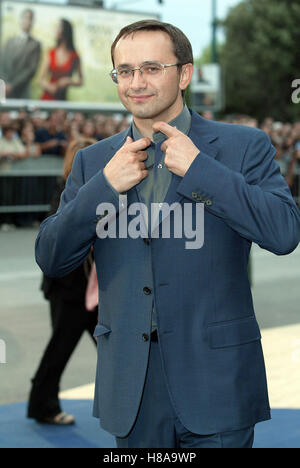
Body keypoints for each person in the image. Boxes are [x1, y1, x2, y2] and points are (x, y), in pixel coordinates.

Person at [35, 20, 300, 448]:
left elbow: (284, 233)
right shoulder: (93, 162)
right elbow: (52, 255)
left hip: (216, 379)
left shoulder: (243, 146)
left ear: (185, 74)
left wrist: (201, 170)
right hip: (132, 385)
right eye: (125, 71)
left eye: (152, 68)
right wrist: (104, 186)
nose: (136, 83)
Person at [27, 138, 98, 425]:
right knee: (59, 349)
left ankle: (42, 404)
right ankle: (43, 405)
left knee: (114, 349)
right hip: (70, 289)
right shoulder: (69, 193)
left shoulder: (82, 191)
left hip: (89, 288)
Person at [0, 9, 41, 99]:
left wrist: (12, 86)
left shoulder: (35, 44)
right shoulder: (9, 41)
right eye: (26, 18)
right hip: (3, 90)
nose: (28, 22)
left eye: (31, 19)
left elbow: (31, 70)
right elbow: (2, 64)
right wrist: (4, 85)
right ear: (21, 19)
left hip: (21, 92)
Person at [39, 19, 83, 101]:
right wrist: (50, 87)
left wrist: (68, 81)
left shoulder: (75, 56)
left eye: (58, 27)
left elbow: (80, 81)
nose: (55, 30)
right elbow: (41, 80)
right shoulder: (51, 53)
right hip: (47, 98)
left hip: (62, 100)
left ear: (65, 30)